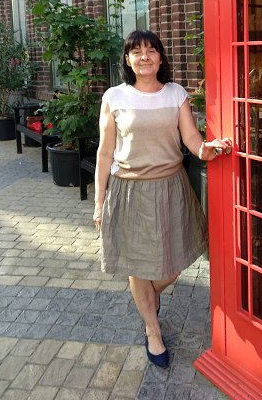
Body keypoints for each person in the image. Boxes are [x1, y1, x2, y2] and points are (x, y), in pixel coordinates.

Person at [92, 30, 230, 368]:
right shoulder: (114, 97)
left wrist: (205, 150)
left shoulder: (175, 93)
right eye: (136, 51)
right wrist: (99, 202)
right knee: (138, 263)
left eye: (151, 50)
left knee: (179, 255)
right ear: (127, 60)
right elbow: (105, 153)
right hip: (129, 189)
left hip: (171, 186)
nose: (145, 57)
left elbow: (191, 136)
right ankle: (152, 330)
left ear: (160, 57)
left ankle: (148, 298)